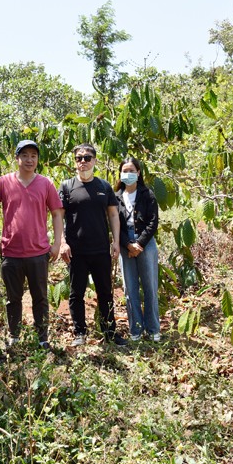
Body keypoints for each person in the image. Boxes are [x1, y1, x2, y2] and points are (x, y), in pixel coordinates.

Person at [0, 139, 63, 349]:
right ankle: (14, 336)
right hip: (11, 252)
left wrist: (57, 243)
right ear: (17, 158)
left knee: (40, 297)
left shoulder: (45, 183)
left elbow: (56, 213)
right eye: (25, 155)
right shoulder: (3, 182)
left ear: (38, 159)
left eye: (33, 156)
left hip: (38, 251)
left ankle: (42, 338)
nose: (29, 160)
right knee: (13, 298)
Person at [59, 143, 127, 346]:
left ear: (94, 160)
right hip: (76, 251)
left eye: (87, 157)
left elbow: (113, 214)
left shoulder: (104, 187)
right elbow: (58, 217)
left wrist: (115, 241)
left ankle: (109, 333)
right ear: (75, 162)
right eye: (79, 158)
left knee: (105, 292)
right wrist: (62, 242)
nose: (83, 161)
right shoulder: (66, 186)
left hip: (100, 249)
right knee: (76, 293)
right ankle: (80, 333)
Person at [116, 157, 161, 342]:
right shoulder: (116, 196)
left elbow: (153, 222)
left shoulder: (147, 194)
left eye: (132, 170)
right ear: (120, 173)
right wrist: (127, 244)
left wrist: (139, 244)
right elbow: (114, 222)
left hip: (146, 243)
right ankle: (135, 330)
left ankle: (153, 329)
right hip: (125, 243)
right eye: (125, 170)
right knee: (130, 288)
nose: (128, 174)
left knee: (150, 286)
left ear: (139, 173)